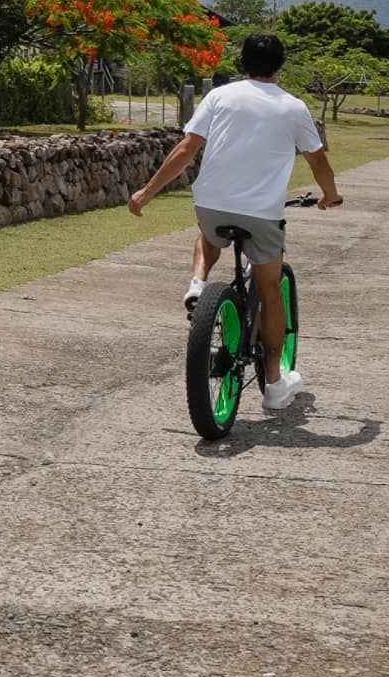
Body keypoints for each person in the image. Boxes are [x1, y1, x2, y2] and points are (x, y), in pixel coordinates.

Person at [128, 32, 343, 411]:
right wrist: (329, 195)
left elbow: (186, 148)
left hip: (211, 205)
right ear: (280, 65)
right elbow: (318, 159)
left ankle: (198, 283)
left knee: (207, 236)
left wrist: (147, 191)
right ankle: (274, 383)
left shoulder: (219, 96)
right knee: (270, 289)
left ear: (241, 62)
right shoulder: (293, 107)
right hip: (261, 214)